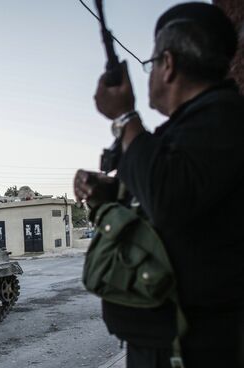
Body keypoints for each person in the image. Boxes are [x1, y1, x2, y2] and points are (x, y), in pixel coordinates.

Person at [74, 3, 244, 367]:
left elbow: (168, 198)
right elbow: (168, 194)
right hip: (170, 341)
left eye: (150, 64)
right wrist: (111, 191)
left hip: (194, 346)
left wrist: (125, 116)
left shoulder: (222, 118)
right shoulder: (190, 128)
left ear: (167, 65)